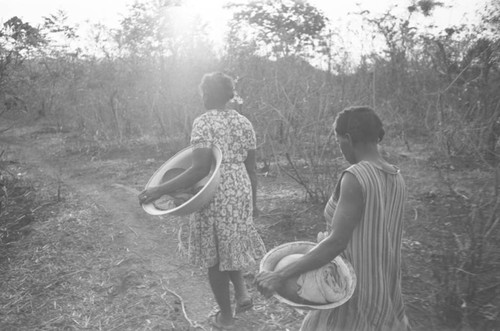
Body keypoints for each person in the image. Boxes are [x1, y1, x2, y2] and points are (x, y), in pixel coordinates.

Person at [256, 106, 410, 331]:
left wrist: (279, 275)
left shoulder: (356, 176)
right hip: (385, 290)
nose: (340, 150)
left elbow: (337, 242)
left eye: (339, 142)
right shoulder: (397, 177)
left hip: (353, 294)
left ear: (348, 138)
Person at [138, 72, 266, 330]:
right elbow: (252, 168)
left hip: (214, 189)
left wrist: (157, 189)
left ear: (205, 94)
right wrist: (253, 203)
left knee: (214, 257)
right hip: (240, 188)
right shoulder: (244, 122)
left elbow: (198, 170)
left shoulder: (204, 122)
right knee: (229, 242)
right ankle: (242, 293)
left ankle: (227, 319)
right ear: (229, 95)